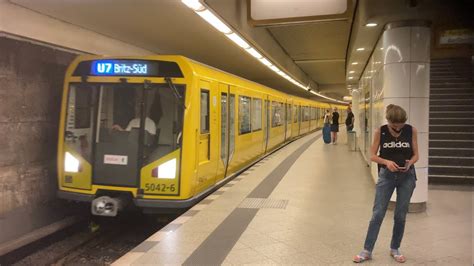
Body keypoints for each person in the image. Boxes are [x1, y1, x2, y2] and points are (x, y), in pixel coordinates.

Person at [353, 104, 419, 264]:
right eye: (394, 125)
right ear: (388, 121)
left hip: (407, 177)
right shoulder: (380, 131)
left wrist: (410, 162)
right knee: (378, 214)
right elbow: (373, 155)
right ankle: (367, 250)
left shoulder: (411, 130)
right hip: (386, 177)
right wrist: (386, 162)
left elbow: (417, 154)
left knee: (400, 215)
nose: (398, 128)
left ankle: (395, 248)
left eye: (401, 125)